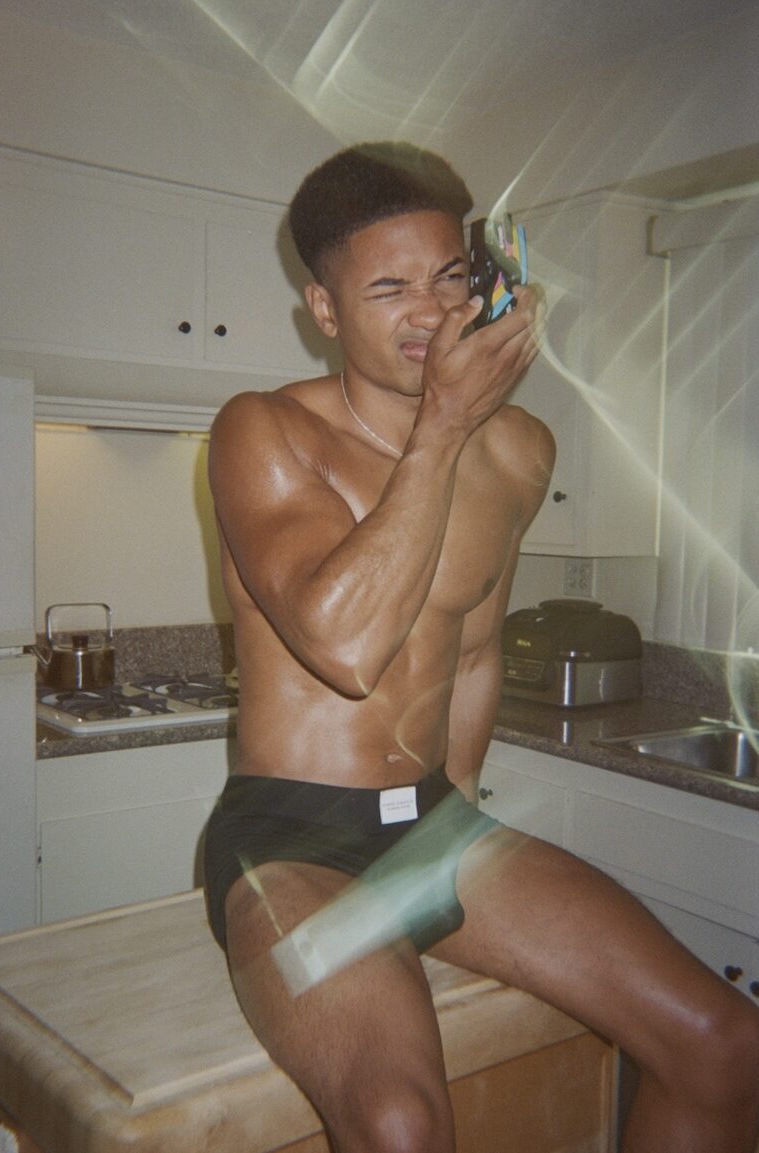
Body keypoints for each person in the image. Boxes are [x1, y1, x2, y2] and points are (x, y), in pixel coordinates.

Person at [203, 141, 759, 1152]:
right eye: (388, 288)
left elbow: (468, 657)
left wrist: (453, 826)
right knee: (401, 1124)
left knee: (724, 1043)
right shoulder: (260, 432)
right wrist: (443, 427)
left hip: (432, 826)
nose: (432, 313)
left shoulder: (519, 448)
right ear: (323, 310)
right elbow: (345, 648)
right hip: (288, 841)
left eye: (449, 277)